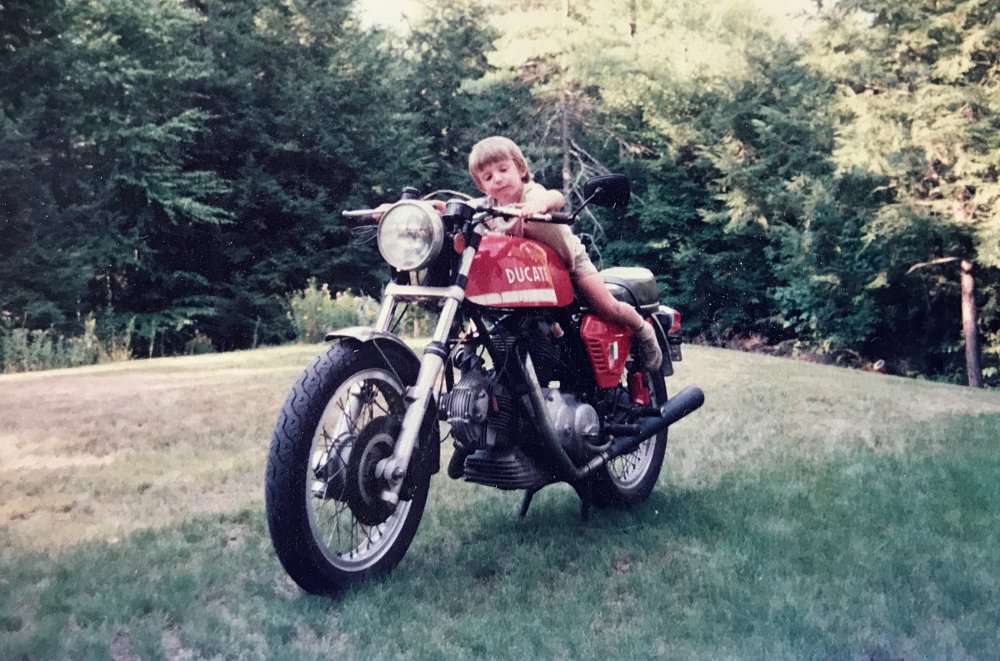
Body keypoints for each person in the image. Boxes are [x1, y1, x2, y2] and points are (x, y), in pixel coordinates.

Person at [468, 136, 662, 371]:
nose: (497, 179)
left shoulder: (531, 193)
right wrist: (438, 208)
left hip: (570, 263)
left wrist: (538, 206)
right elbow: (465, 207)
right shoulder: (489, 207)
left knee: (607, 307)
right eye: (488, 177)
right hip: (530, 273)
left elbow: (555, 197)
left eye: (503, 169)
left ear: (520, 169)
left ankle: (643, 330)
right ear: (482, 185)